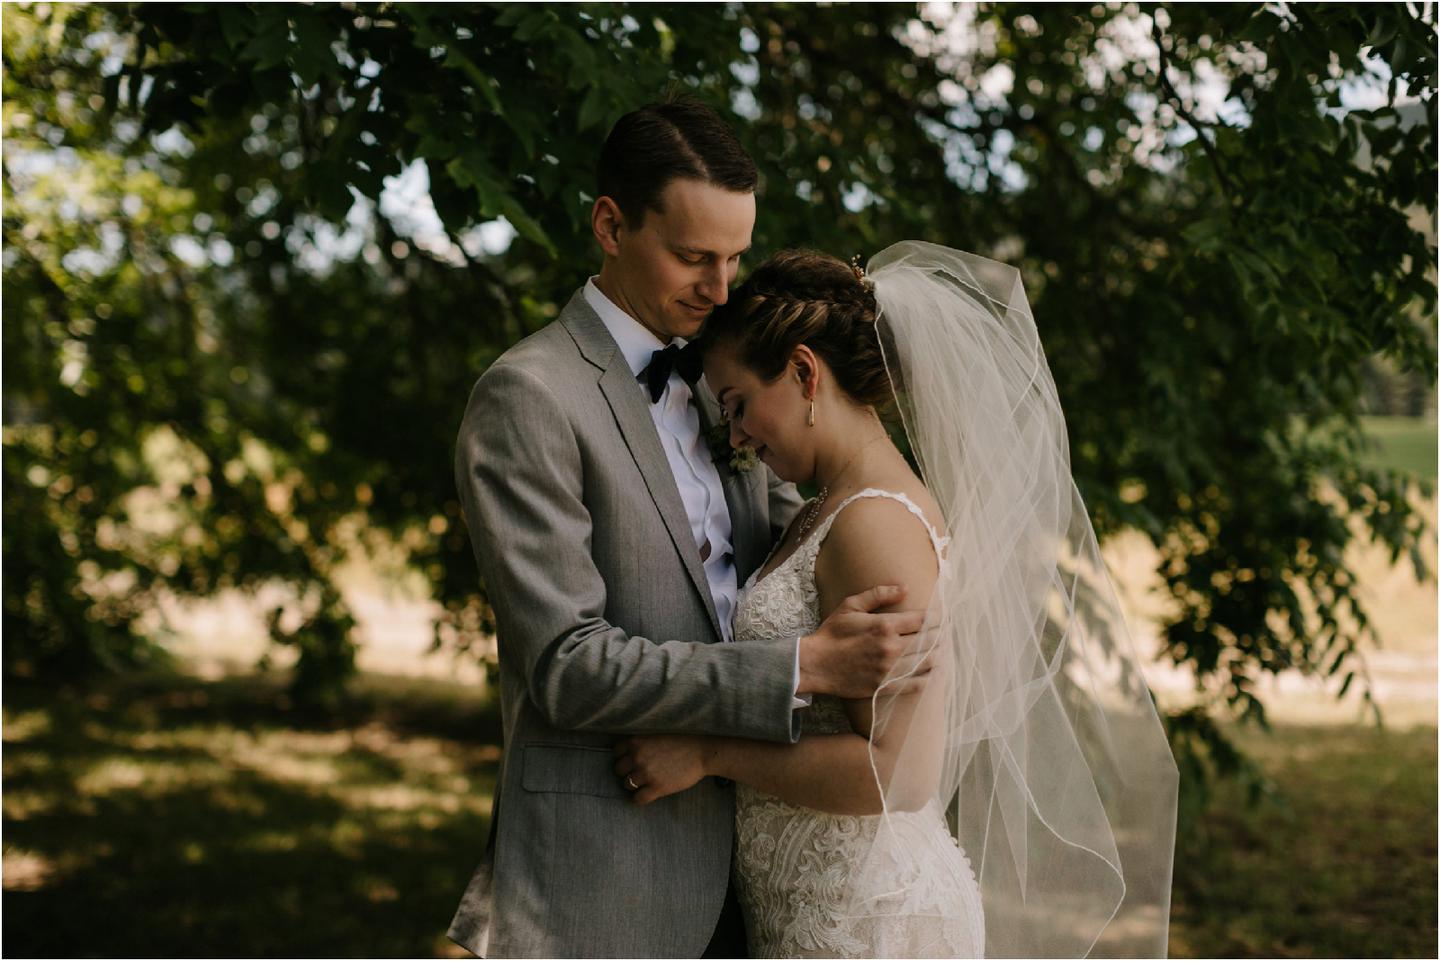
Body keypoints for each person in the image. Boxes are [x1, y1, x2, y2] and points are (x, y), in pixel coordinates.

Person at [446, 100, 930, 959]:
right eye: (693, 256)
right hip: (607, 877)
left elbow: (805, 551)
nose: (721, 288)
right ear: (610, 224)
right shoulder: (529, 396)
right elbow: (565, 663)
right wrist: (803, 664)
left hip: (772, 878)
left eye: (736, 257)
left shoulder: (730, 382)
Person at [615, 245, 1180, 958]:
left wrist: (707, 751)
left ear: (802, 371)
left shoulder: (873, 524)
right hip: (818, 909)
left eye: (738, 405)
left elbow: (899, 773)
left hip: (870, 921)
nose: (736, 436)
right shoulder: (824, 509)